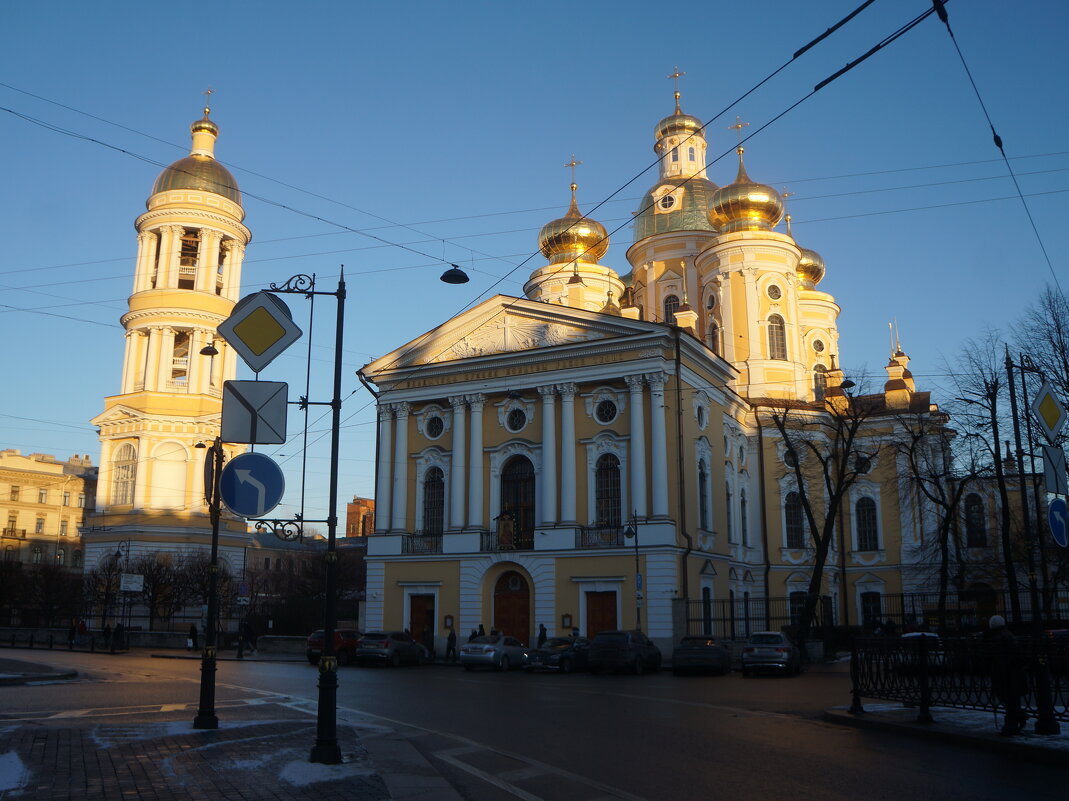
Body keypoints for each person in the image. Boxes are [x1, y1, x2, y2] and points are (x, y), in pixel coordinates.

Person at [984, 615, 1027, 736]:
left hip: (1004, 673)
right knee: (1012, 698)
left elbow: (993, 656)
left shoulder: (996, 637)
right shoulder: (1008, 635)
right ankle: (1016, 719)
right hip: (1013, 673)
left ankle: (1013, 722)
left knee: (1008, 698)